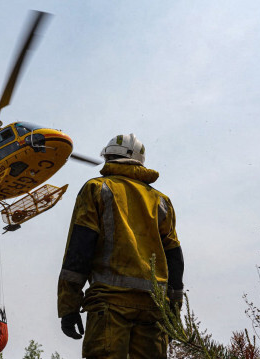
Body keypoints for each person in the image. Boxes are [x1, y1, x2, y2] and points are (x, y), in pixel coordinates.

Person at [57, 134, 184, 359]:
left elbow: (79, 250)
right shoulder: (160, 201)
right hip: (154, 311)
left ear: (108, 157)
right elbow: (174, 257)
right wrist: (173, 311)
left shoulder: (97, 188)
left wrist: (69, 306)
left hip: (109, 306)